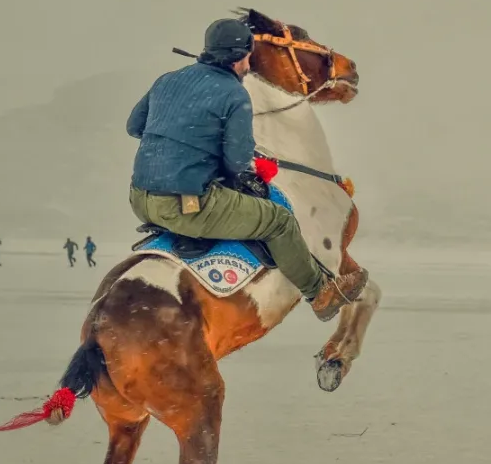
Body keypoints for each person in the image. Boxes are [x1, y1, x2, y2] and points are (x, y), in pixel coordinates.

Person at [125, 17, 368, 322]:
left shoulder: (167, 80)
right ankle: (320, 293)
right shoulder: (234, 94)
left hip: (140, 202)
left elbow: (135, 127)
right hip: (183, 206)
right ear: (242, 57)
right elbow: (238, 164)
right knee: (278, 220)